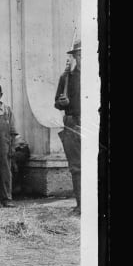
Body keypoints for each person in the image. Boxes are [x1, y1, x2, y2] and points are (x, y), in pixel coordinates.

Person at [54, 40, 82, 212]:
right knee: (76, 166)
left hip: (93, 123)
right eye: (80, 54)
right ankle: (81, 205)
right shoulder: (66, 78)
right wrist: (62, 102)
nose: (83, 58)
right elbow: (57, 103)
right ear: (74, 57)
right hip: (72, 122)